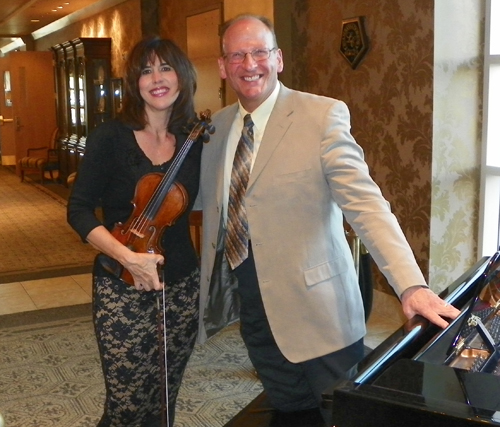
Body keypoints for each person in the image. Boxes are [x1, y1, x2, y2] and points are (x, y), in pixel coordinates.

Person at [196, 14, 461, 426]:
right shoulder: (216, 127)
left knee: (343, 415)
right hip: (255, 309)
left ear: (278, 58)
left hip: (319, 314)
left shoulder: (321, 116)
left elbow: (367, 205)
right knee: (288, 410)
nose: (249, 64)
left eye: (259, 52)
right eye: (237, 55)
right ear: (222, 65)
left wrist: (410, 285)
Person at [67, 36, 202, 427]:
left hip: (180, 285)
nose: (157, 79)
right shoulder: (109, 137)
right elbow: (77, 211)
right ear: (134, 82)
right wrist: (129, 258)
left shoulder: (193, 140)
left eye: (166, 68)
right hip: (121, 283)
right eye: (146, 71)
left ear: (182, 77)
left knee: (164, 397)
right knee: (126, 404)